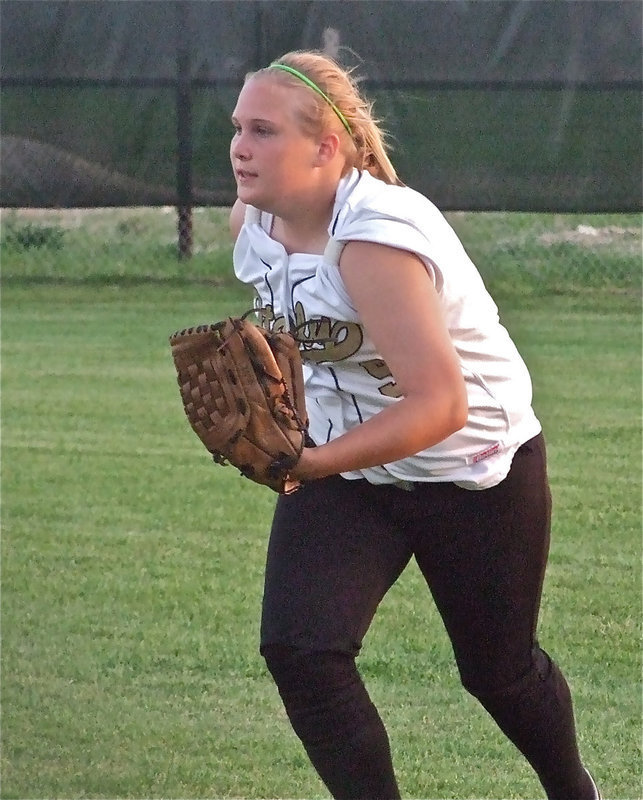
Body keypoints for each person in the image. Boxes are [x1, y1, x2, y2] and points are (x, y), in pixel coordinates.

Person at [227, 50, 600, 800]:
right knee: (301, 650)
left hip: (470, 468)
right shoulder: (254, 217)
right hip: (355, 467)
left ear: (325, 148)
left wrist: (312, 462)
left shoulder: (374, 238)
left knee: (498, 672)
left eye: (263, 130)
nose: (239, 146)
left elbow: (439, 405)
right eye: (237, 126)